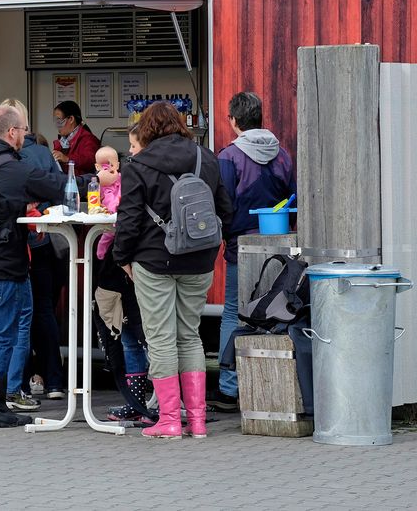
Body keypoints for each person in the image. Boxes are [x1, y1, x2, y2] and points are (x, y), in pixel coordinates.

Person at [0, 105, 84, 429]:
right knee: (0, 338)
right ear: (11, 132)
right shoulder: (14, 168)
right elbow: (60, 187)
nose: (25, 135)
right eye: (23, 129)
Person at [113, 101, 233, 439]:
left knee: (161, 338)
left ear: (147, 130)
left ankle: (168, 420)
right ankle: (196, 421)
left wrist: (121, 258)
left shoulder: (137, 164)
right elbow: (226, 208)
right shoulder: (206, 158)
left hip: (155, 260)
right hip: (200, 258)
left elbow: (129, 219)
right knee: (190, 335)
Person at [209, 92, 295, 412]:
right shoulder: (282, 154)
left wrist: (226, 234)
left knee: (234, 312)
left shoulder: (229, 156)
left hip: (240, 245)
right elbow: (292, 194)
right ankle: (273, 383)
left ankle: (230, 389)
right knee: (276, 310)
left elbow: (224, 202)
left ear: (233, 121)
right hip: (278, 244)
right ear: (260, 117)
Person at [0, 98, 65, 409]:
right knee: (43, 312)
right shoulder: (41, 153)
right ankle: (53, 380)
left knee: (17, 317)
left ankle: (21, 383)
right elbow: (59, 189)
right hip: (43, 242)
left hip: (16, 245)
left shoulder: (4, 157)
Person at [91, 143, 153, 424]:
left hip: (131, 262)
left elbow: (121, 211)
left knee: (143, 335)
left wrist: (114, 182)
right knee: (127, 334)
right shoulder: (98, 184)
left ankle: (161, 400)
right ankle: (136, 399)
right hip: (114, 263)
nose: (108, 168)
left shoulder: (129, 180)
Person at [51, 100, 100, 172]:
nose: (57, 125)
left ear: (71, 119)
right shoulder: (62, 141)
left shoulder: (88, 139)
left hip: (81, 182)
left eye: (59, 121)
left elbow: (91, 161)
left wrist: (67, 159)